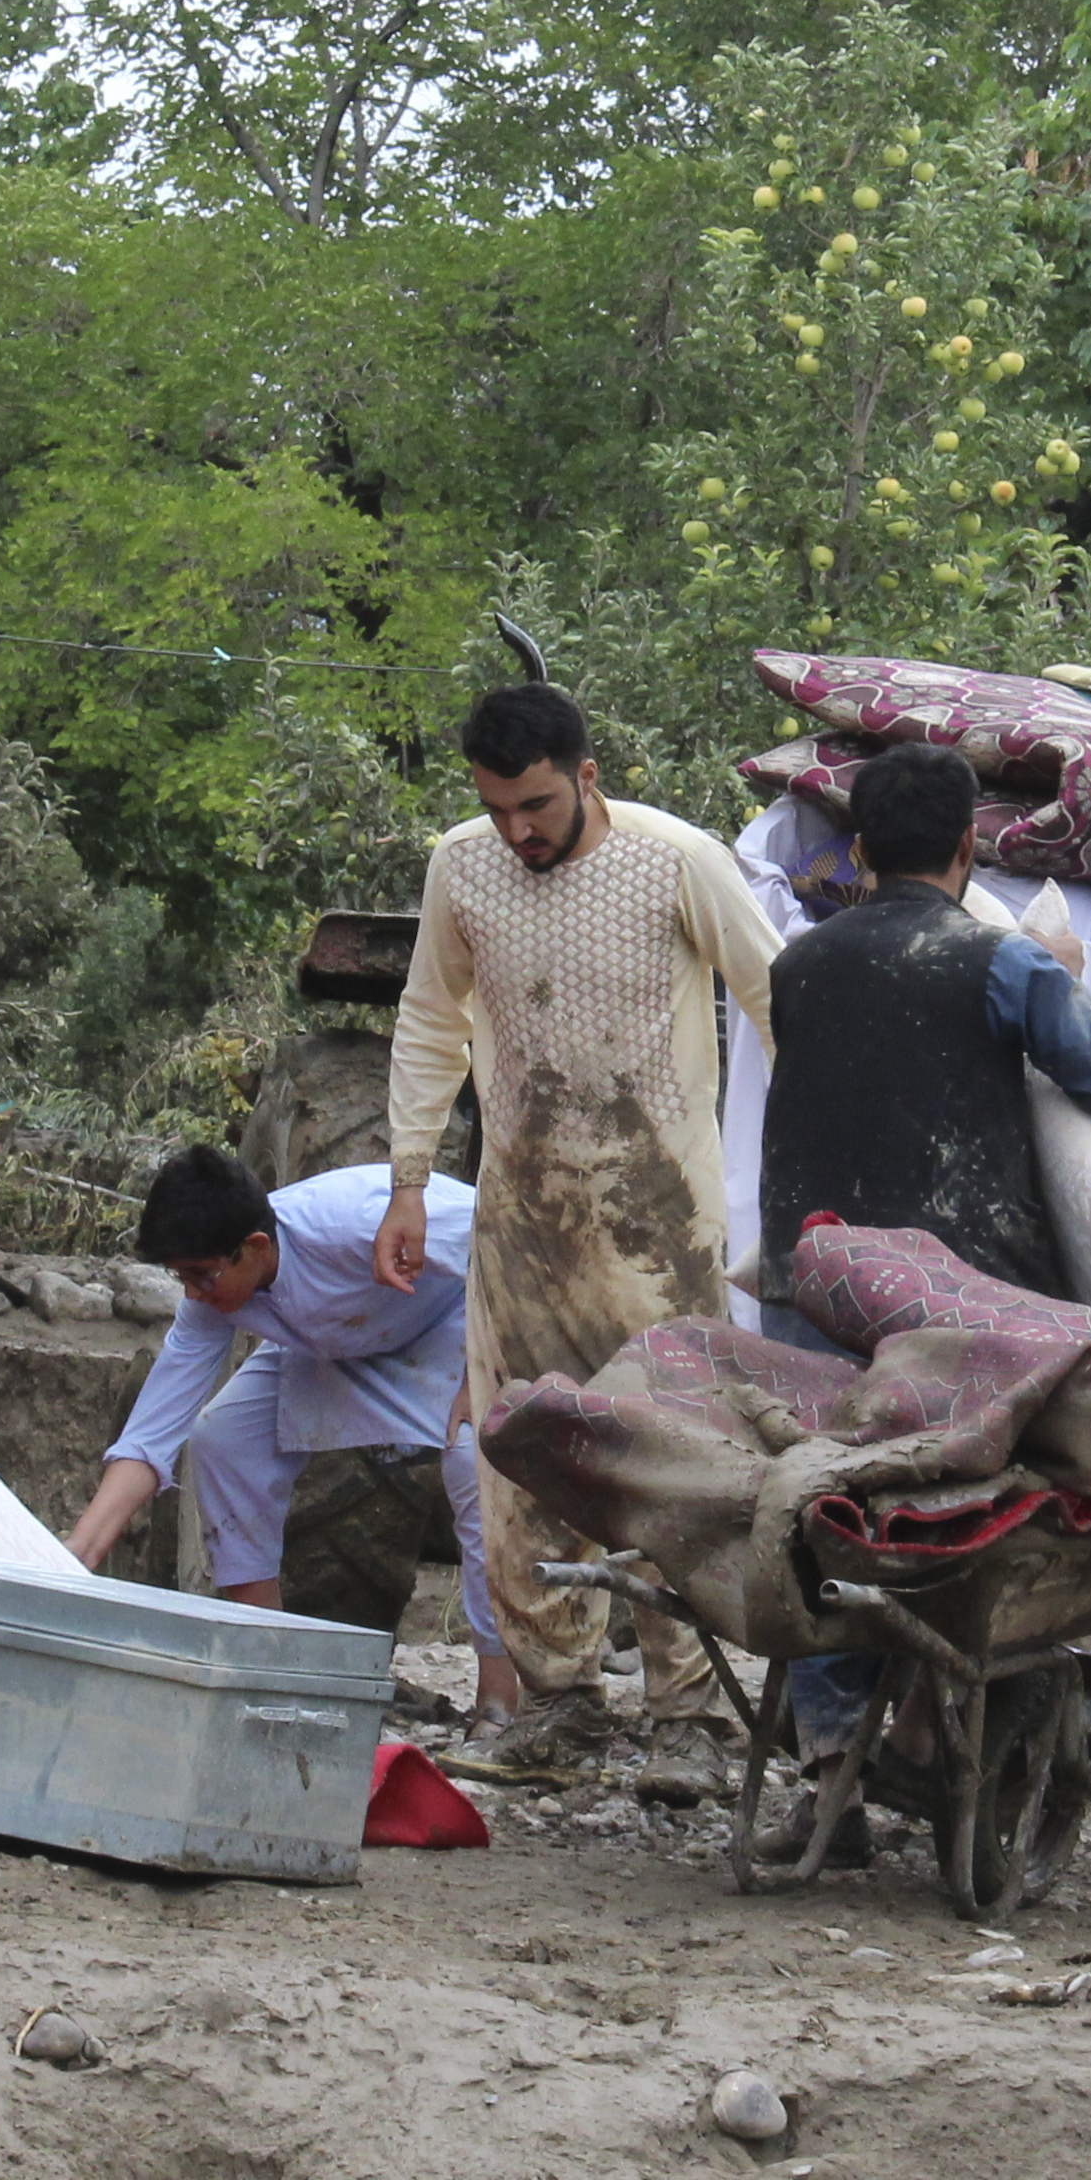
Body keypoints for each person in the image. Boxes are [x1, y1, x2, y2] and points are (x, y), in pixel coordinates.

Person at [383, 680, 786, 1770]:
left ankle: (688, 1717)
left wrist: (799, 1172)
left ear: (587, 776)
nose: (519, 831)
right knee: (519, 1460)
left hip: (663, 1228)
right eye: (499, 807)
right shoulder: (462, 866)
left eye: (539, 808)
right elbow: (430, 1017)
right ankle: (558, 1706)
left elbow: (777, 1001)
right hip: (523, 1225)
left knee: (676, 1466)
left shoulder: (676, 860)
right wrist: (410, 1178)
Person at [754, 741, 1091, 1313]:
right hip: (962, 1296)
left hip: (813, 1292)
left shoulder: (795, 964)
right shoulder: (1006, 962)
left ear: (861, 851)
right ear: (968, 842)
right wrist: (1069, 981)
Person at [69, 1148, 494, 1656]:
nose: (194, 1294)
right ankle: (264, 1657)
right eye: (180, 1278)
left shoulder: (353, 1223)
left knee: (476, 1458)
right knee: (224, 1438)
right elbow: (148, 1438)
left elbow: (507, 1242)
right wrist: (74, 1559)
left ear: (254, 1247)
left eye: (201, 1275)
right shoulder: (210, 1298)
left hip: (454, 1322)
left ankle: (498, 1696)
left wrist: (483, 1374)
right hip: (339, 1342)